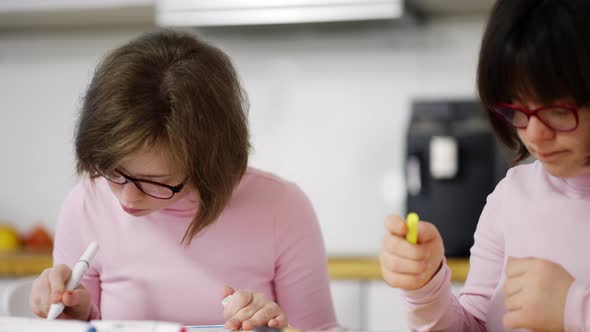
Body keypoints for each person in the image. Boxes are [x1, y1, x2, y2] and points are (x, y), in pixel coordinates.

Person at [29, 30, 337, 331]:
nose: (127, 200)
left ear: (210, 163)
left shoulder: (282, 208)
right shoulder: (86, 204)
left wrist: (275, 330)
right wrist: (76, 317)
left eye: (155, 182)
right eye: (113, 171)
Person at [380, 1, 590, 331]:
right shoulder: (510, 198)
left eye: (559, 110)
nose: (534, 134)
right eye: (516, 110)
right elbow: (476, 325)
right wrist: (426, 289)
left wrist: (575, 311)